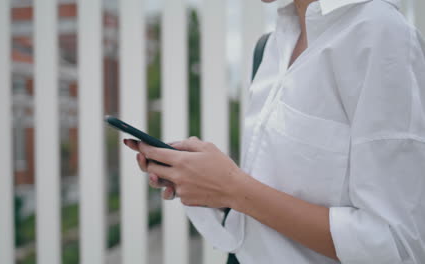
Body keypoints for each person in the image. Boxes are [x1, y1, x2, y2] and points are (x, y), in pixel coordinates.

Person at [124, 0, 425, 263]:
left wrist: (233, 188)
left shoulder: (380, 35)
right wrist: (212, 186)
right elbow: (274, 194)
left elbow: (394, 244)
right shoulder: (272, 45)